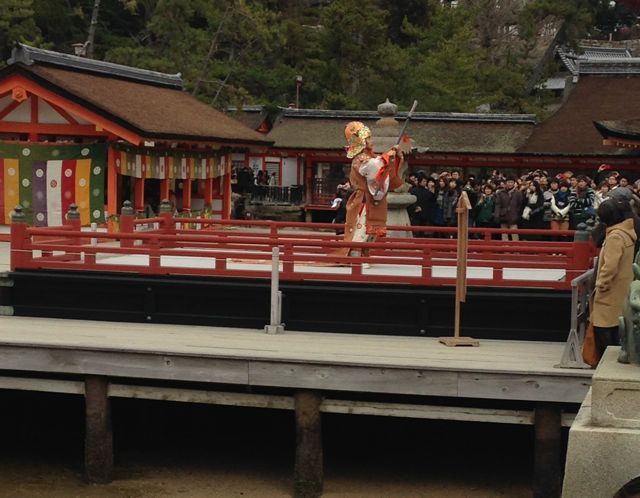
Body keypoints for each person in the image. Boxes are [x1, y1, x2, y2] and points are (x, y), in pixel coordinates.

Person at [336, 121, 403, 257]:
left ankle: (363, 255)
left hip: (369, 199)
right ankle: (356, 256)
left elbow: (380, 164)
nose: (371, 141)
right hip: (363, 200)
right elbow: (374, 167)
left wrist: (392, 156)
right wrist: (387, 156)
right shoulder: (360, 159)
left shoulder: (370, 157)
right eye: (369, 138)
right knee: (361, 230)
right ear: (362, 141)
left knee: (368, 231)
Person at [591, 200, 637, 358]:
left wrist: (601, 284)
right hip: (622, 288)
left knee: (605, 332)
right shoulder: (626, 232)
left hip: (610, 292)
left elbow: (610, 266)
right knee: (618, 330)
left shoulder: (615, 237)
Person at [494, 176, 523, 241]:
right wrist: (497, 215)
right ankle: (505, 247)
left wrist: (517, 214)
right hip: (503, 215)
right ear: (506, 183)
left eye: (511, 182)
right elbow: (498, 205)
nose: (510, 184)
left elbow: (520, 205)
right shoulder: (500, 193)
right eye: (508, 182)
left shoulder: (518, 193)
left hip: (514, 216)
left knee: (514, 235)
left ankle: (516, 247)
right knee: (504, 235)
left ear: (514, 183)